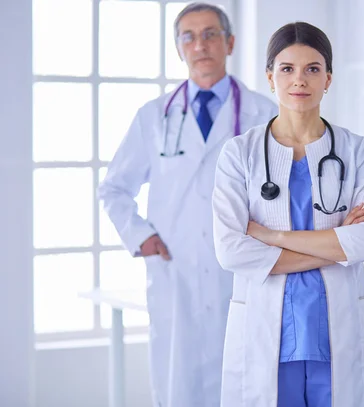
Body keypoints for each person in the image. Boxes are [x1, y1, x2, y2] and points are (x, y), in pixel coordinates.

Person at [98, 3, 277, 406]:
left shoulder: (261, 114)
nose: (201, 45)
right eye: (189, 36)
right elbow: (113, 188)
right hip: (174, 270)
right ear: (179, 48)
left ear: (229, 42)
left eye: (211, 34)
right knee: (178, 382)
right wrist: (140, 235)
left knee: (245, 381)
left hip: (240, 272)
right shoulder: (153, 116)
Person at [212, 21, 364, 407]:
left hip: (334, 328)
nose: (300, 80)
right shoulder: (239, 155)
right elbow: (231, 251)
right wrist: (336, 246)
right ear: (270, 77)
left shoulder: (356, 150)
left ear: (328, 78)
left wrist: (272, 237)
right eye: (287, 69)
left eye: (312, 68)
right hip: (266, 329)